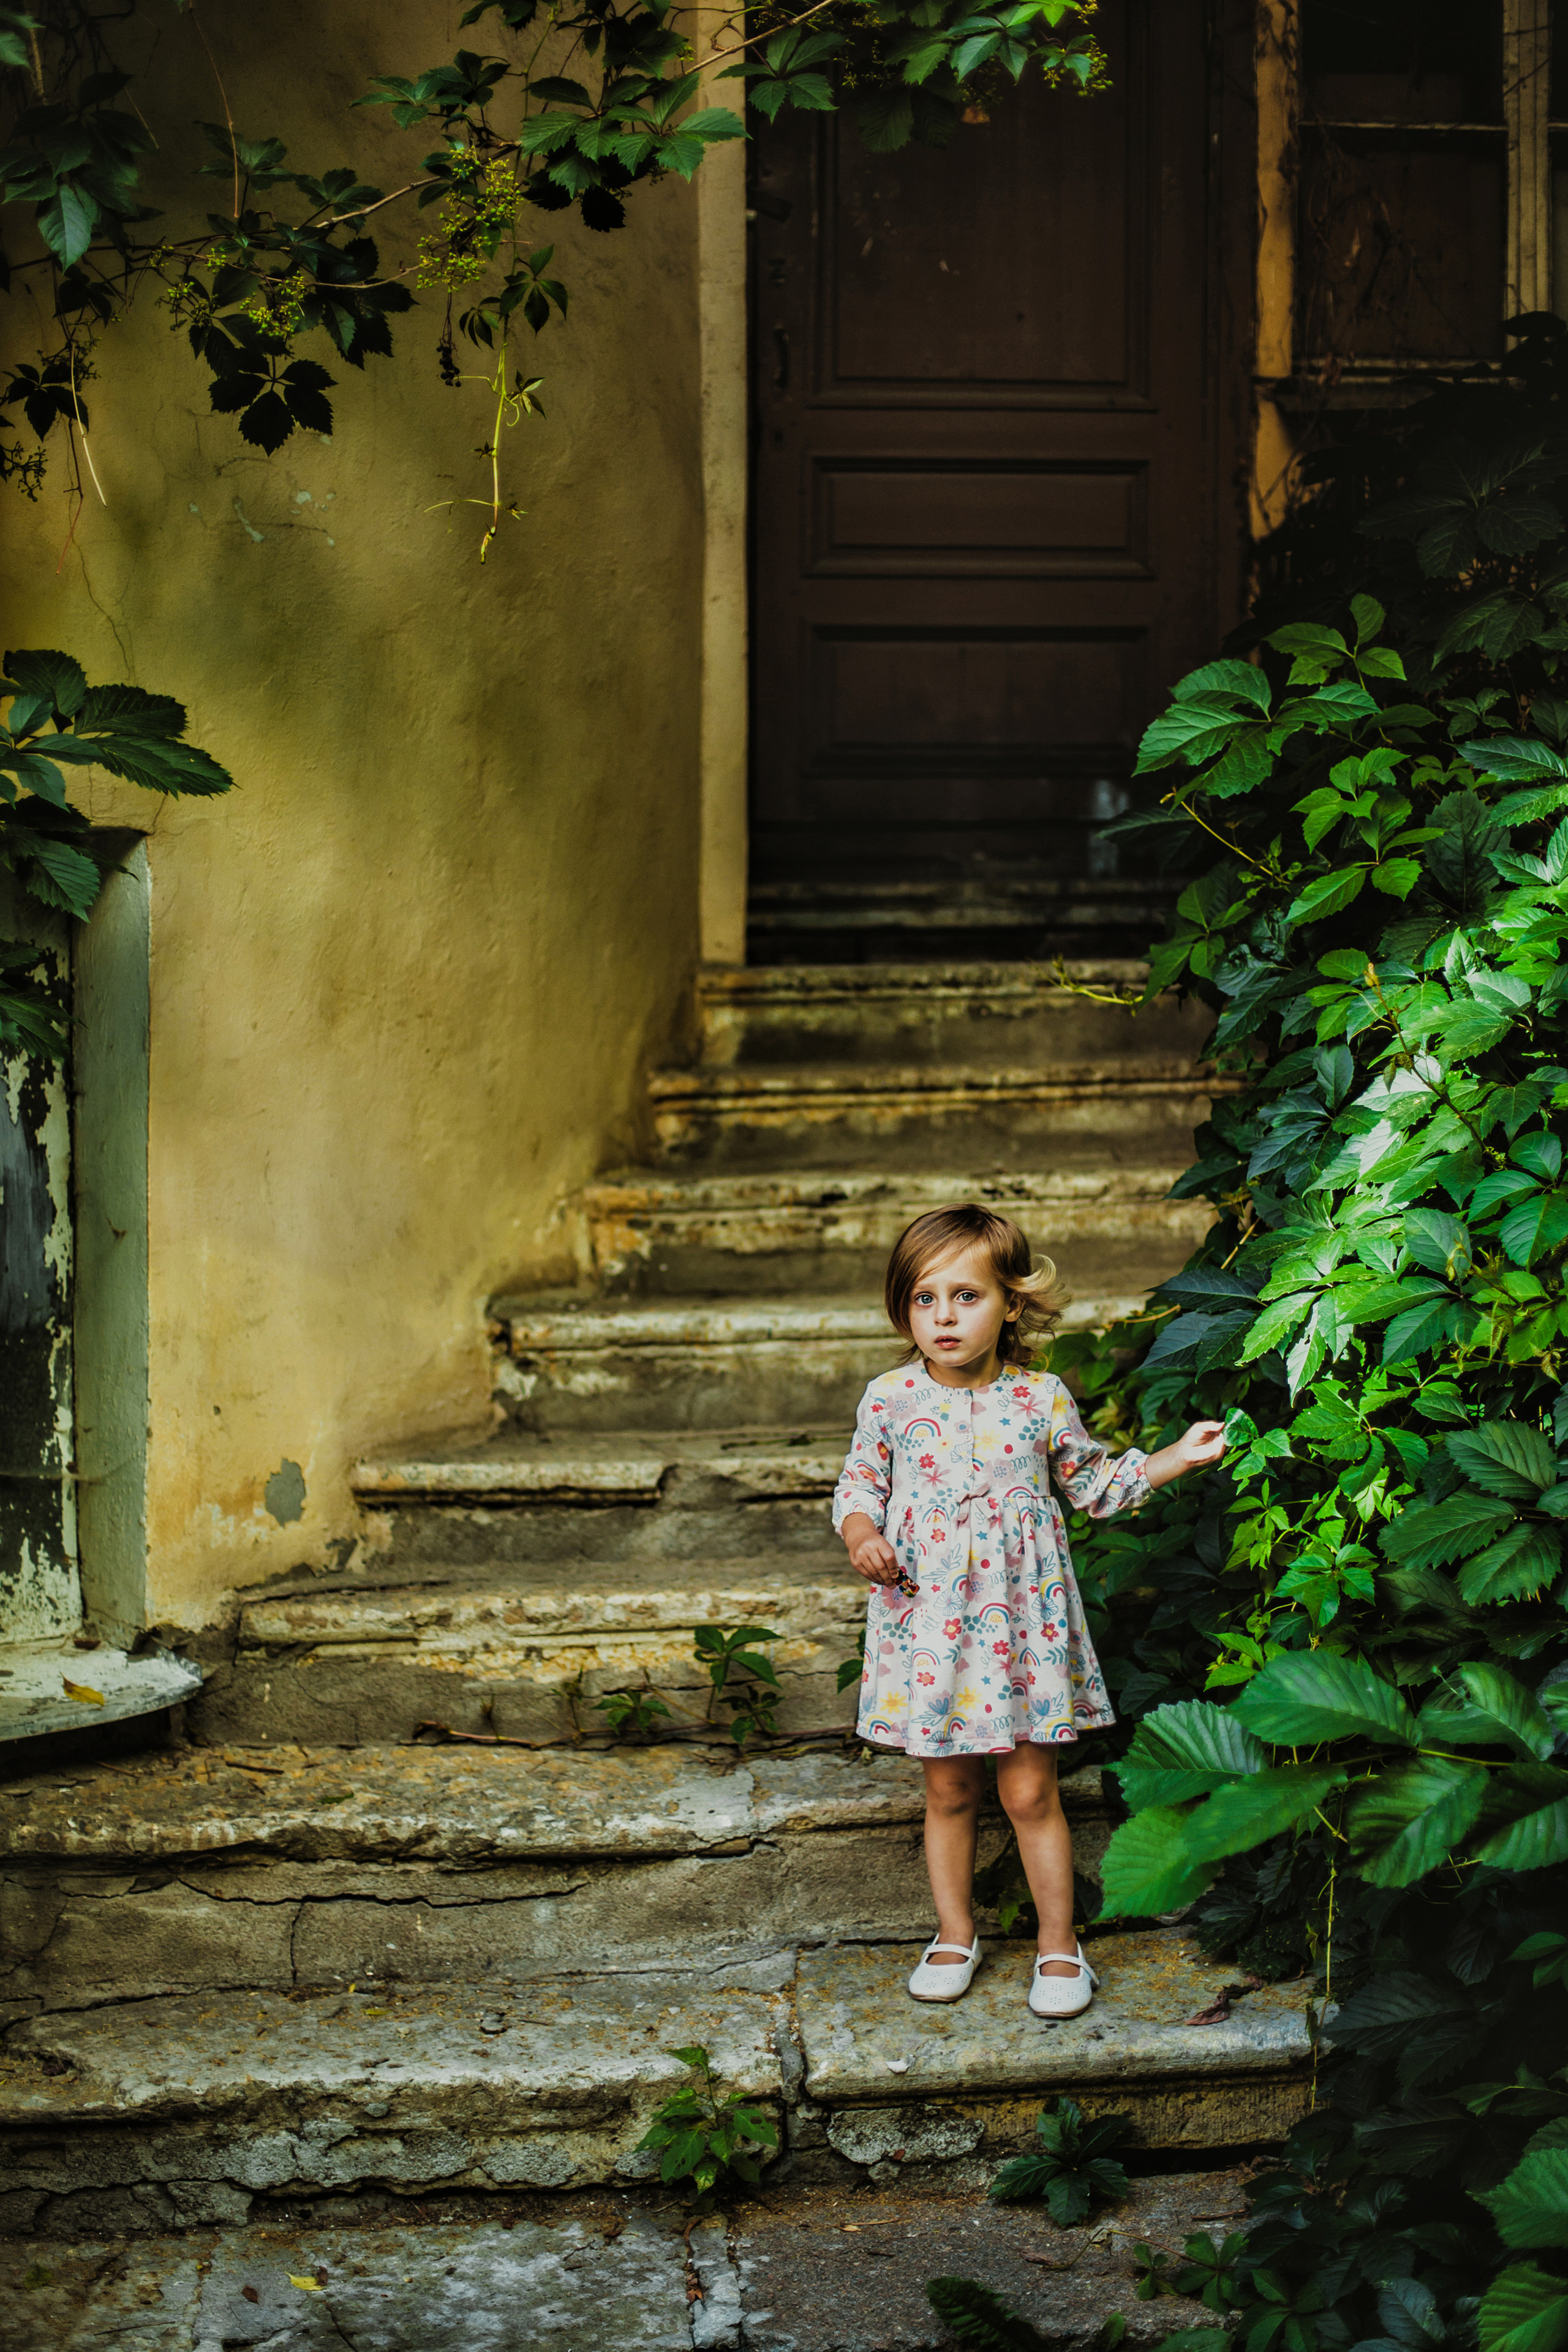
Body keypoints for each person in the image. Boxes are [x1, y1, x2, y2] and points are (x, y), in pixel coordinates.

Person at [832, 1204, 1226, 2018]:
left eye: (965, 1296)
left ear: (1010, 1303)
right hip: (931, 1629)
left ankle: (1057, 1944)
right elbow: (858, 1485)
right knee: (946, 1794)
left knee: (1029, 1795)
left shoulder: (1040, 1399)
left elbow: (1094, 1486)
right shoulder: (890, 1398)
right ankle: (953, 1932)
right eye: (923, 1299)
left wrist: (1175, 1460)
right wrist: (862, 1530)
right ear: (903, 1308)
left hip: (1022, 1635)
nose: (943, 1316)